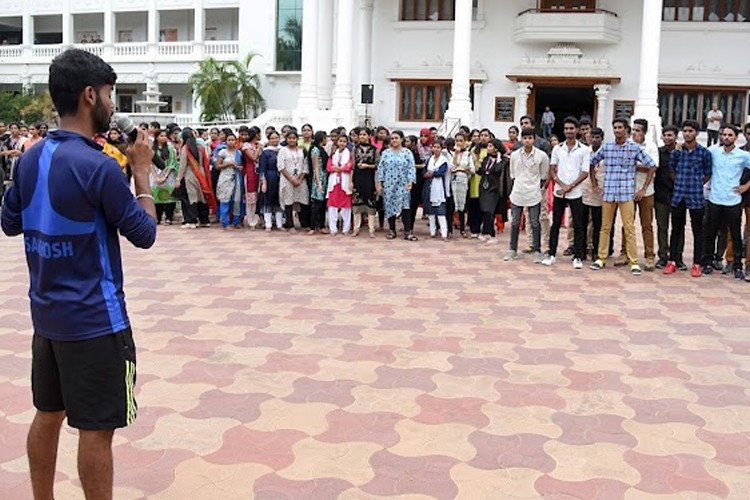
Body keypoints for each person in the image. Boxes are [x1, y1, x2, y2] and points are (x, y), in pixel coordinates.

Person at [1, 48, 156, 500]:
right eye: (109, 93)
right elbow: (144, 233)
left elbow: (10, 223)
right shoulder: (101, 167)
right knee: (96, 429)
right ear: (90, 95)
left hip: (47, 319)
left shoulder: (29, 158)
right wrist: (142, 174)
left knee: (48, 414)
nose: (112, 104)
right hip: (96, 321)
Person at [589, 117, 656, 275]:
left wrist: (644, 188)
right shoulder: (607, 147)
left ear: (626, 130)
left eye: (620, 127)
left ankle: (633, 261)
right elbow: (592, 162)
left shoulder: (634, 148)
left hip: (626, 194)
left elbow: (652, 165)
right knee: (605, 227)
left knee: (629, 227)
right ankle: (601, 258)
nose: (617, 130)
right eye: (615, 127)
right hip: (609, 193)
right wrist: (594, 185)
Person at [663, 120, 713, 277]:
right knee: (676, 229)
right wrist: (680, 182)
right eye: (685, 131)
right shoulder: (677, 152)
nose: (687, 134)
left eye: (690, 131)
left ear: (697, 133)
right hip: (679, 195)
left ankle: (697, 263)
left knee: (698, 230)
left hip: (696, 195)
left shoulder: (704, 153)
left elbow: (708, 173)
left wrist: (696, 183)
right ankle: (672, 261)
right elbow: (671, 171)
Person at [701, 124, 750, 279]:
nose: (726, 137)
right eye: (724, 134)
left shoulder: (743, 155)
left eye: (730, 135)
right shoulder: (713, 152)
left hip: (733, 200)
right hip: (715, 198)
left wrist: (746, 187)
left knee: (735, 235)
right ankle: (708, 262)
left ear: (736, 137)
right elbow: (699, 154)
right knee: (711, 233)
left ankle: (737, 266)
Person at [543, 116, 590, 268]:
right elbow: (552, 169)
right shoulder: (557, 148)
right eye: (566, 129)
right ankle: (551, 254)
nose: (569, 131)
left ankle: (578, 256)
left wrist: (571, 186)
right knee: (556, 223)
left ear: (577, 130)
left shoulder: (584, 150)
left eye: (571, 128)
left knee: (578, 224)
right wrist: (562, 184)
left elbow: (585, 172)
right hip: (559, 191)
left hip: (576, 192)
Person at [612, 118, 659, 271]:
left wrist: (643, 187)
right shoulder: (627, 146)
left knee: (646, 225)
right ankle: (624, 253)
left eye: (638, 130)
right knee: (627, 224)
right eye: (633, 130)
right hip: (627, 190)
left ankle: (649, 255)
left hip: (646, 191)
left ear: (644, 132)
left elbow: (653, 167)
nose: (635, 133)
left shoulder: (651, 147)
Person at [506, 128, 549, 263]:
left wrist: (536, 187)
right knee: (515, 222)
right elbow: (512, 174)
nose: (527, 141)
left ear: (534, 139)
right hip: (518, 191)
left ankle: (537, 250)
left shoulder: (541, 156)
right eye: (525, 138)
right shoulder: (514, 155)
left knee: (535, 222)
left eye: (530, 138)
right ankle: (512, 250)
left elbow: (543, 175)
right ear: (521, 139)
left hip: (534, 192)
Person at [378, 130, 417, 241]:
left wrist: (410, 181)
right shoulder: (386, 153)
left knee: (405, 207)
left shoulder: (407, 152)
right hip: (389, 183)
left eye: (396, 138)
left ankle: (407, 231)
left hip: (403, 183)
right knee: (389, 205)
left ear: (402, 139)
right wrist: (380, 183)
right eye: (392, 138)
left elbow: (411, 167)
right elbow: (381, 168)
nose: (394, 140)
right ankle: (392, 230)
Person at [724, 122, 750, 280]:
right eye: (748, 133)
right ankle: (731, 260)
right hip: (735, 194)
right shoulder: (738, 152)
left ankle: (748, 264)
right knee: (731, 229)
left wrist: (747, 186)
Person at [176, 128, 215, 228]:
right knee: (202, 197)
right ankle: (204, 220)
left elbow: (182, 165)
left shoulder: (185, 148)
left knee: (191, 197)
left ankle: (192, 220)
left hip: (190, 174)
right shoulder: (200, 147)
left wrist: (178, 179)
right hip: (201, 174)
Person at [655, 125, 681, 269]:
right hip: (661, 195)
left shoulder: (682, 153)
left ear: (676, 137)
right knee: (662, 226)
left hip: (678, 195)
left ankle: (677, 256)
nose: (667, 138)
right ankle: (663, 256)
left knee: (678, 227)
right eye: (665, 135)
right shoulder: (658, 153)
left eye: (670, 135)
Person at [478, 138, 510, 246]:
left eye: (490, 146)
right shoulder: (486, 159)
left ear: (496, 149)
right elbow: (481, 171)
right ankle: (485, 232)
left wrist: (502, 159)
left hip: (494, 189)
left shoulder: (502, 160)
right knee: (484, 210)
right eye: (488, 146)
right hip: (484, 187)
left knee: (489, 211)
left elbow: (497, 170)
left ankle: (492, 235)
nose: (488, 148)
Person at [581, 127, 605, 262]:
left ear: (602, 139)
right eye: (593, 137)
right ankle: (582, 250)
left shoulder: (606, 152)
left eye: (598, 138)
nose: (595, 140)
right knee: (582, 222)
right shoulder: (585, 152)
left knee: (598, 224)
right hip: (585, 189)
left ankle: (596, 251)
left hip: (600, 191)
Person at [278, 129, 309, 231]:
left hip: (301, 180)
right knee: (288, 202)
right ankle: (290, 224)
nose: (291, 140)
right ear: (286, 139)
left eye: (294, 138)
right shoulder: (283, 150)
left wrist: (299, 179)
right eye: (289, 138)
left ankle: (304, 223)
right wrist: (292, 179)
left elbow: (305, 165)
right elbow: (281, 166)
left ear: (297, 139)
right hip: (287, 180)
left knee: (303, 200)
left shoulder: (301, 150)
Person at [352, 127, 380, 238]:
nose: (362, 137)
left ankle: (371, 229)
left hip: (370, 178)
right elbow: (353, 166)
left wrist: (367, 166)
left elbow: (378, 165)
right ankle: (356, 228)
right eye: (360, 135)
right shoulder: (355, 149)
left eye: (364, 134)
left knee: (370, 204)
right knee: (357, 204)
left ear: (369, 136)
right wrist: (351, 181)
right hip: (358, 178)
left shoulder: (375, 150)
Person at [216, 132, 246, 229]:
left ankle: (236, 221)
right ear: (226, 141)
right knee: (225, 199)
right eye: (229, 140)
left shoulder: (239, 152)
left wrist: (239, 167)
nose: (231, 142)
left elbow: (240, 164)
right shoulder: (222, 152)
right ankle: (225, 222)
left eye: (233, 140)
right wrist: (228, 164)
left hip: (237, 178)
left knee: (237, 200)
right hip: (225, 178)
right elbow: (217, 166)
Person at [326, 134, 354, 235]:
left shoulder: (350, 154)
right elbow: (328, 167)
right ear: (337, 142)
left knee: (346, 206)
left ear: (347, 143)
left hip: (345, 182)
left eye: (344, 141)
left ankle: (346, 229)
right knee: (332, 205)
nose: (342, 143)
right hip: (334, 182)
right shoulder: (333, 154)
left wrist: (340, 168)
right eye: (340, 141)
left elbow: (350, 167)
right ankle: (333, 229)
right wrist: (340, 168)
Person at [150, 128, 179, 225]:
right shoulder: (151, 149)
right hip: (154, 174)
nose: (164, 138)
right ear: (156, 137)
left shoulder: (171, 148)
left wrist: (165, 176)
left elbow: (172, 163)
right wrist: (156, 177)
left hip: (168, 174)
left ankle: (169, 217)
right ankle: (157, 217)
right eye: (161, 136)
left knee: (169, 196)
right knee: (156, 196)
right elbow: (149, 163)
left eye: (165, 136)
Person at [423, 141, 450, 240]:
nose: (436, 149)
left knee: (441, 211)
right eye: (434, 147)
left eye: (438, 147)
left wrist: (432, 174)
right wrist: (428, 174)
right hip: (429, 186)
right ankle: (432, 232)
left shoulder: (444, 161)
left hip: (439, 188)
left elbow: (441, 172)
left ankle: (444, 234)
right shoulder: (429, 159)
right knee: (430, 212)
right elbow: (425, 171)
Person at [258, 130, 284, 231]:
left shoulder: (283, 150)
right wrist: (263, 182)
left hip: (282, 178)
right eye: (272, 138)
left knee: (279, 200)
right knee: (267, 200)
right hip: (269, 177)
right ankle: (268, 224)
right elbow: (262, 168)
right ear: (268, 140)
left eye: (276, 138)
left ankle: (279, 224)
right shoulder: (265, 152)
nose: (274, 140)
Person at [451, 132, 474, 237]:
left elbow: (472, 169)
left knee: (462, 205)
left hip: (463, 181)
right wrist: (456, 154)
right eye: (457, 141)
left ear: (465, 142)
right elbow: (452, 167)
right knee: (452, 204)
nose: (459, 143)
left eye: (461, 141)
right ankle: (449, 229)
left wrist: (467, 169)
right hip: (453, 180)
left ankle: (462, 229)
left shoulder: (468, 154)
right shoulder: (450, 153)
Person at [308, 131, 329, 234]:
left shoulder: (322, 149)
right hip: (319, 178)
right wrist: (318, 182)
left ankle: (321, 225)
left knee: (322, 203)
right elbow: (315, 167)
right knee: (316, 203)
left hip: (324, 177)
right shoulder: (315, 150)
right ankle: (313, 226)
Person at [240, 128, 261, 229]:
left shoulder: (257, 145)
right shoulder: (246, 146)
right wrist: (258, 149)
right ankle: (250, 219)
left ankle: (256, 218)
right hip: (250, 171)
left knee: (257, 195)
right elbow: (253, 158)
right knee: (250, 195)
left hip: (258, 171)